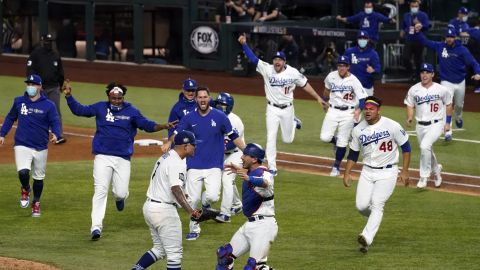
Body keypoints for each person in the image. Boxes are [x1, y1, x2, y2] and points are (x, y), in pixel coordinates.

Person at [62, 80, 177, 240]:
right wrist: (68, 96)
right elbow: (80, 110)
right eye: (113, 98)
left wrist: (163, 126)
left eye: (119, 98)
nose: (116, 101)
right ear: (109, 96)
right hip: (102, 156)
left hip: (122, 158)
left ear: (123, 97)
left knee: (121, 192)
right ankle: (96, 226)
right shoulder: (100, 107)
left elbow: (147, 125)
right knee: (100, 190)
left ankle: (119, 198)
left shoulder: (132, 111)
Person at [161, 86, 246, 241]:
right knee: (192, 200)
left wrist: (247, 151)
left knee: (213, 196)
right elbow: (177, 132)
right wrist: (168, 143)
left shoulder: (220, 117)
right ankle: (194, 228)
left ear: (209, 98)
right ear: (196, 100)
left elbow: (234, 136)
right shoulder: (189, 118)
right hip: (194, 164)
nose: (202, 100)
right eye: (199, 97)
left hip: (214, 165)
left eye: (205, 97)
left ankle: (206, 205)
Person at [238, 33, 327, 175]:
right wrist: (244, 44)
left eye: (280, 60)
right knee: (271, 137)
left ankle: (293, 122)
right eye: (275, 59)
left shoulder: (293, 73)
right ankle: (272, 167)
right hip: (272, 108)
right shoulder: (267, 69)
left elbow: (305, 85)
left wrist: (317, 98)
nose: (277, 62)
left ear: (284, 62)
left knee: (287, 140)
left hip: (288, 109)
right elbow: (253, 59)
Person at [343, 96, 411, 253]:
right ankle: (374, 219)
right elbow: (353, 154)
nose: (367, 111)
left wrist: (405, 171)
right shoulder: (358, 129)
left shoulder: (392, 125)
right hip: (367, 171)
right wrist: (347, 173)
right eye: (366, 108)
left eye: (371, 109)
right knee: (361, 206)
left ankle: (366, 237)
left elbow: (406, 148)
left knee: (377, 203)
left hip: (388, 172)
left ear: (378, 110)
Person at [131, 131, 202, 270]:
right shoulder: (177, 162)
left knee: (160, 249)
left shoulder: (166, 156)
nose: (195, 147)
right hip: (163, 212)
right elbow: (175, 189)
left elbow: (170, 184)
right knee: (175, 254)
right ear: (186, 146)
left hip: (150, 207)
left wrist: (184, 193)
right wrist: (191, 211)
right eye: (194, 145)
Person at [0, 75, 61, 217]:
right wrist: (2, 134)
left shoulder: (49, 105)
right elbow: (10, 117)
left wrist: (56, 134)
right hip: (22, 144)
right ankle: (25, 188)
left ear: (40, 87)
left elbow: (55, 121)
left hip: (40, 146)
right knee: (23, 172)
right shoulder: (19, 102)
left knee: (38, 178)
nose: (30, 87)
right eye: (29, 84)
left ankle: (36, 202)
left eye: (34, 84)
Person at [216, 143, 277, 270]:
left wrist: (248, 177)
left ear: (254, 159)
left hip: (264, 226)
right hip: (250, 225)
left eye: (245, 155)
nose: (242, 157)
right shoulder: (251, 171)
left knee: (254, 267)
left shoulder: (265, 172)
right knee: (224, 256)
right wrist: (240, 170)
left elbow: (265, 182)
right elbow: (251, 174)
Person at [417, 27, 480, 141]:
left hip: (460, 81)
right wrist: (418, 32)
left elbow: (473, 62)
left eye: (451, 37)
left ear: (455, 37)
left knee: (459, 105)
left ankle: (459, 117)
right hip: (446, 81)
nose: (449, 39)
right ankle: (448, 131)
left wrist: (478, 73)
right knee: (447, 104)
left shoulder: (462, 50)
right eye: (447, 37)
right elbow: (425, 42)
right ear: (445, 38)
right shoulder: (440, 46)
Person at [404, 63, 453, 188]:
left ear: (432, 74)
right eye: (422, 72)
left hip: (436, 124)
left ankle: (424, 177)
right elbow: (409, 104)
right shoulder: (414, 89)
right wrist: (409, 117)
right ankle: (437, 172)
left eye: (427, 72)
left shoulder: (441, 89)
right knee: (427, 150)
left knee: (425, 146)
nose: (424, 75)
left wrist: (447, 122)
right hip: (420, 126)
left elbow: (448, 104)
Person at [321, 55, 368, 177]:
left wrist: (359, 110)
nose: (341, 68)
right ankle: (334, 141)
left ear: (348, 67)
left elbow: (363, 99)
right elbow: (326, 89)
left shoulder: (354, 80)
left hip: (348, 113)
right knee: (325, 137)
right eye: (339, 65)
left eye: (344, 65)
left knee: (343, 142)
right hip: (332, 110)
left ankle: (336, 166)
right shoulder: (331, 76)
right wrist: (325, 100)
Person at [26, 33, 66, 144]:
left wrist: (61, 84)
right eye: (47, 42)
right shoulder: (35, 54)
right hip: (39, 89)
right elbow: (30, 71)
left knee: (56, 111)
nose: (49, 44)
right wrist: (35, 85)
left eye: (50, 42)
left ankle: (58, 135)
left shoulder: (55, 55)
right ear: (42, 42)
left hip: (54, 88)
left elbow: (60, 72)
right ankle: (33, 134)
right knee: (35, 110)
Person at [213, 92, 244, 223]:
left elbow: (232, 142)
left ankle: (225, 214)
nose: (220, 106)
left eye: (223, 104)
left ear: (229, 106)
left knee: (226, 179)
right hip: (221, 153)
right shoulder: (213, 116)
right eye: (218, 103)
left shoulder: (235, 120)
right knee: (227, 180)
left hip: (235, 153)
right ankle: (237, 205)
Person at [400, 0, 430, 80]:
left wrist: (420, 24)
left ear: (418, 6)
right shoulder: (406, 15)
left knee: (418, 60)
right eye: (412, 6)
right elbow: (403, 25)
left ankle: (418, 77)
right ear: (410, 6)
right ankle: (411, 73)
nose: (414, 8)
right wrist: (402, 31)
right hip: (409, 39)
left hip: (419, 40)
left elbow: (427, 26)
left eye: (415, 6)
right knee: (405, 58)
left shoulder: (423, 15)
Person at [344, 30, 381, 96]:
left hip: (366, 87)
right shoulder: (349, 52)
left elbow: (378, 68)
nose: (362, 40)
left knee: (366, 106)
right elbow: (343, 65)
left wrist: (373, 70)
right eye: (360, 38)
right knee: (349, 106)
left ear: (368, 40)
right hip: (351, 87)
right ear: (357, 39)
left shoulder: (373, 53)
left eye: (364, 38)